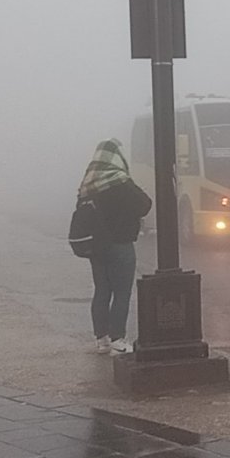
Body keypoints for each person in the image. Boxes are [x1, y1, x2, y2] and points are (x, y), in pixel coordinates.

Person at [78, 138, 152, 356]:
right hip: (120, 244)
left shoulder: (88, 183)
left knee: (101, 290)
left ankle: (101, 340)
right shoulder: (120, 180)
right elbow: (145, 204)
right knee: (122, 292)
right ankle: (118, 339)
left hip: (96, 246)